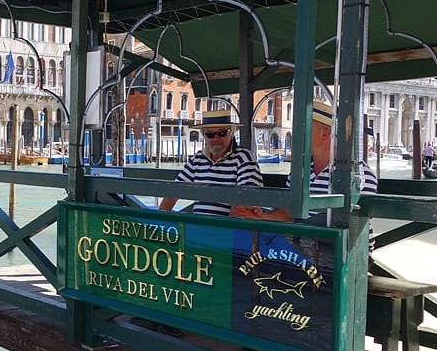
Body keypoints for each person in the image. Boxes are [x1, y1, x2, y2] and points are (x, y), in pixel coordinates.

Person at [233, 100, 378, 251]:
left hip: (343, 257)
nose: (296, 134)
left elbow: (352, 229)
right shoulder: (301, 171)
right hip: (302, 249)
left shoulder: (359, 174)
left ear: (325, 133)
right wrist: (261, 217)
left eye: (304, 128)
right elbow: (287, 213)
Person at [159, 109, 263, 215]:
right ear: (204, 136)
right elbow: (175, 191)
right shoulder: (197, 159)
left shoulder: (243, 158)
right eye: (210, 134)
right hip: (198, 225)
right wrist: (159, 218)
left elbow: (247, 199)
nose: (216, 138)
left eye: (222, 133)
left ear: (231, 133)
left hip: (228, 227)